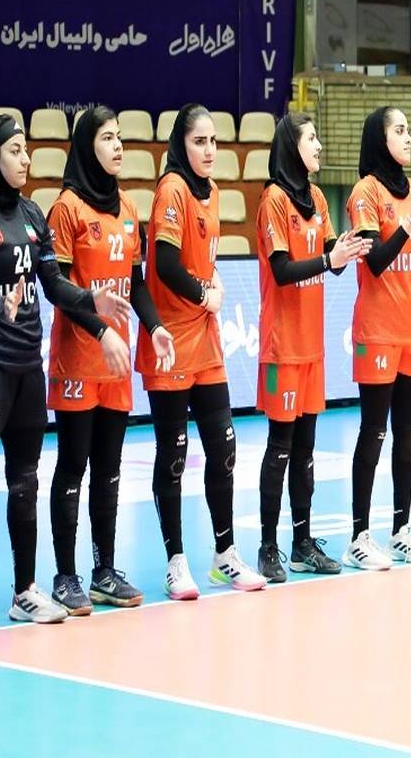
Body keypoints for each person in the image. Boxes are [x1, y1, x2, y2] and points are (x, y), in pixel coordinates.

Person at [0, 115, 131, 638]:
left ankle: (25, 591)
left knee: (25, 483)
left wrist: (91, 299)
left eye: (26, 150)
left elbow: (53, 284)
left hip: (27, 367)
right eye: (15, 150)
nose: (26, 159)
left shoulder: (31, 215)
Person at [46, 106, 176, 614]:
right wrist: (100, 331)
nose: (118, 146)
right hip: (79, 360)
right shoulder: (66, 209)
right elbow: (60, 289)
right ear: (86, 146)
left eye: (120, 137)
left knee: (110, 470)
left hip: (116, 363)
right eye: (106, 138)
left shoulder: (126, 207)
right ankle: (65, 575)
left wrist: (155, 326)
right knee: (72, 466)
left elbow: (136, 282)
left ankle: (104, 570)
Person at [140, 103, 267, 599]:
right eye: (199, 141)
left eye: (214, 141)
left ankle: (224, 555)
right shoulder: (172, 189)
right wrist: (202, 293)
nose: (210, 150)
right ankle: (176, 562)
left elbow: (201, 258)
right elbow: (166, 264)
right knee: (174, 456)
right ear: (182, 144)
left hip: (207, 339)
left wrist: (213, 280)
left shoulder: (212, 191)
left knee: (224, 448)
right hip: (171, 340)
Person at [255, 112, 369, 582]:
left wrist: (346, 249)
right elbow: (283, 270)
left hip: (312, 347)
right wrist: (328, 257)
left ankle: (302, 543)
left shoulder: (318, 198)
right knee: (280, 448)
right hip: (282, 345)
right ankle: (267, 546)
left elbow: (332, 260)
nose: (319, 145)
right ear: (291, 146)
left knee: (306, 451)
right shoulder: (273, 200)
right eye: (312, 138)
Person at [343, 106, 411, 570]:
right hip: (377, 331)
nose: (408, 137)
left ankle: (401, 529)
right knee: (374, 432)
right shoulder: (365, 192)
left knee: (408, 435)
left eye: (409, 129)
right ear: (380, 139)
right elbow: (376, 261)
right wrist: (408, 222)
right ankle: (359, 536)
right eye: (400, 130)